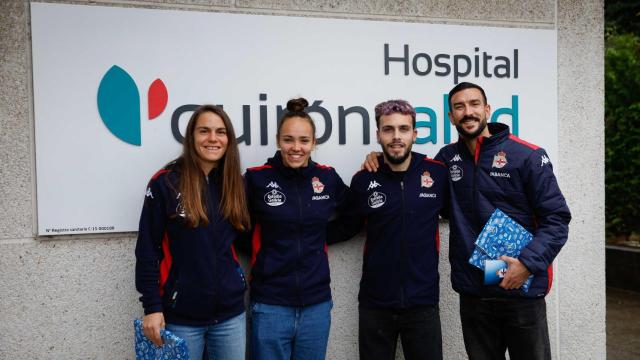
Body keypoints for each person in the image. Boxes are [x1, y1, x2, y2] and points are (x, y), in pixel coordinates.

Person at [364, 82, 572, 360]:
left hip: (521, 291)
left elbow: (557, 219)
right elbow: (409, 172)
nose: (468, 112)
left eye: (474, 104)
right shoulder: (446, 160)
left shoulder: (528, 156)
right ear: (451, 117)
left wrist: (527, 264)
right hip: (475, 294)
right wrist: (380, 158)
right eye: (459, 107)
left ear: (487, 109)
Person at [330, 99, 447, 360]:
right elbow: (347, 226)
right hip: (375, 304)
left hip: (423, 302)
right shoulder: (363, 179)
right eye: (388, 129)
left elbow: (460, 213)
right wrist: (306, 238)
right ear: (378, 135)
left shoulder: (437, 174)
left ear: (414, 134)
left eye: (404, 129)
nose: (396, 137)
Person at [135, 105, 250, 360]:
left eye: (220, 132)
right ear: (191, 136)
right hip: (180, 318)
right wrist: (152, 307)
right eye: (204, 131)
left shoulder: (236, 183)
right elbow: (147, 250)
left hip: (230, 317)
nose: (212, 138)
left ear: (228, 139)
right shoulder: (165, 183)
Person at [242, 98, 349, 360]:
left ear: (314, 143)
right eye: (289, 140)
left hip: (316, 305)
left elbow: (356, 213)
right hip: (270, 305)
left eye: (304, 140)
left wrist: (321, 236)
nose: (296, 148)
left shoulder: (327, 177)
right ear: (278, 140)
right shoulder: (256, 178)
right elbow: (235, 228)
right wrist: (264, 251)